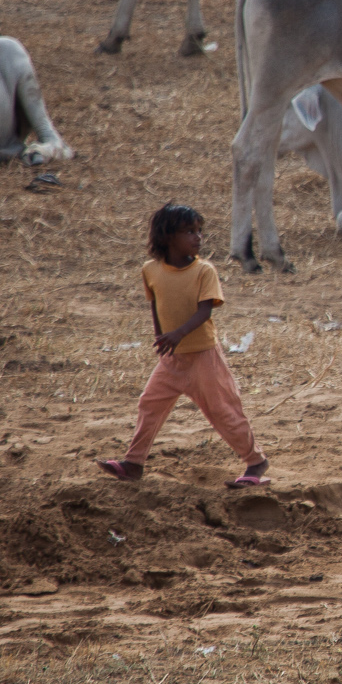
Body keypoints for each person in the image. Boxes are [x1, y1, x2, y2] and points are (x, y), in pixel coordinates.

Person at [99, 203, 269, 486]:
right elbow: (155, 304)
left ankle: (256, 462)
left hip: (204, 357)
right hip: (172, 359)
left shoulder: (204, 271)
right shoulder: (150, 270)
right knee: (150, 404)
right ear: (167, 237)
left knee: (224, 411)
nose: (198, 237)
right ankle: (133, 463)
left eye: (199, 231)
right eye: (189, 231)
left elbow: (205, 312)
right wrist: (161, 336)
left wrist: (177, 334)